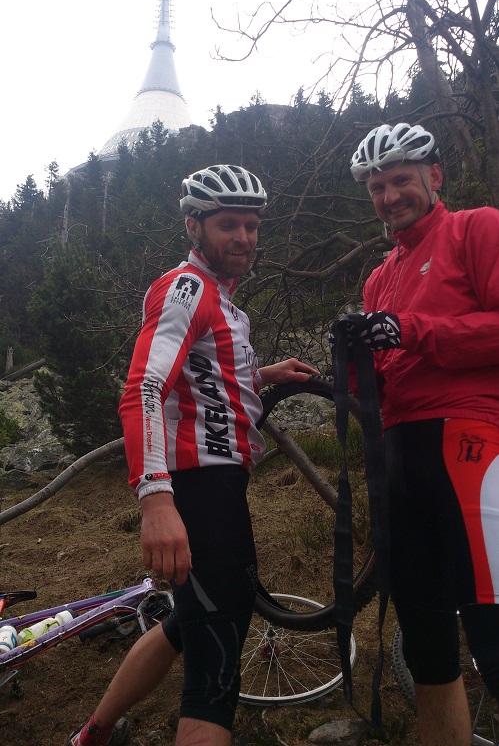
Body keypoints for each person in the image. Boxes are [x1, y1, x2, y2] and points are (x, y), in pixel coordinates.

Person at [67, 164, 318, 746]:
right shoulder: (188, 288)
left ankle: (93, 734)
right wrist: (156, 500)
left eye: (252, 226)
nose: (244, 238)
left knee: (192, 621)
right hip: (198, 487)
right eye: (228, 225)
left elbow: (205, 378)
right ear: (194, 226)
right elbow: (144, 387)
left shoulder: (225, 302)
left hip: (217, 485)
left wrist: (263, 375)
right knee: (217, 664)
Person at [336, 123, 499, 746]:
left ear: (434, 176)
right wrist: (349, 364)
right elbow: (382, 382)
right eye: (377, 188)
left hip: (469, 440)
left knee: (493, 632)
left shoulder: (477, 228)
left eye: (401, 180)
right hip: (398, 457)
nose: (389, 196)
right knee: (427, 643)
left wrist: (411, 331)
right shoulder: (380, 277)